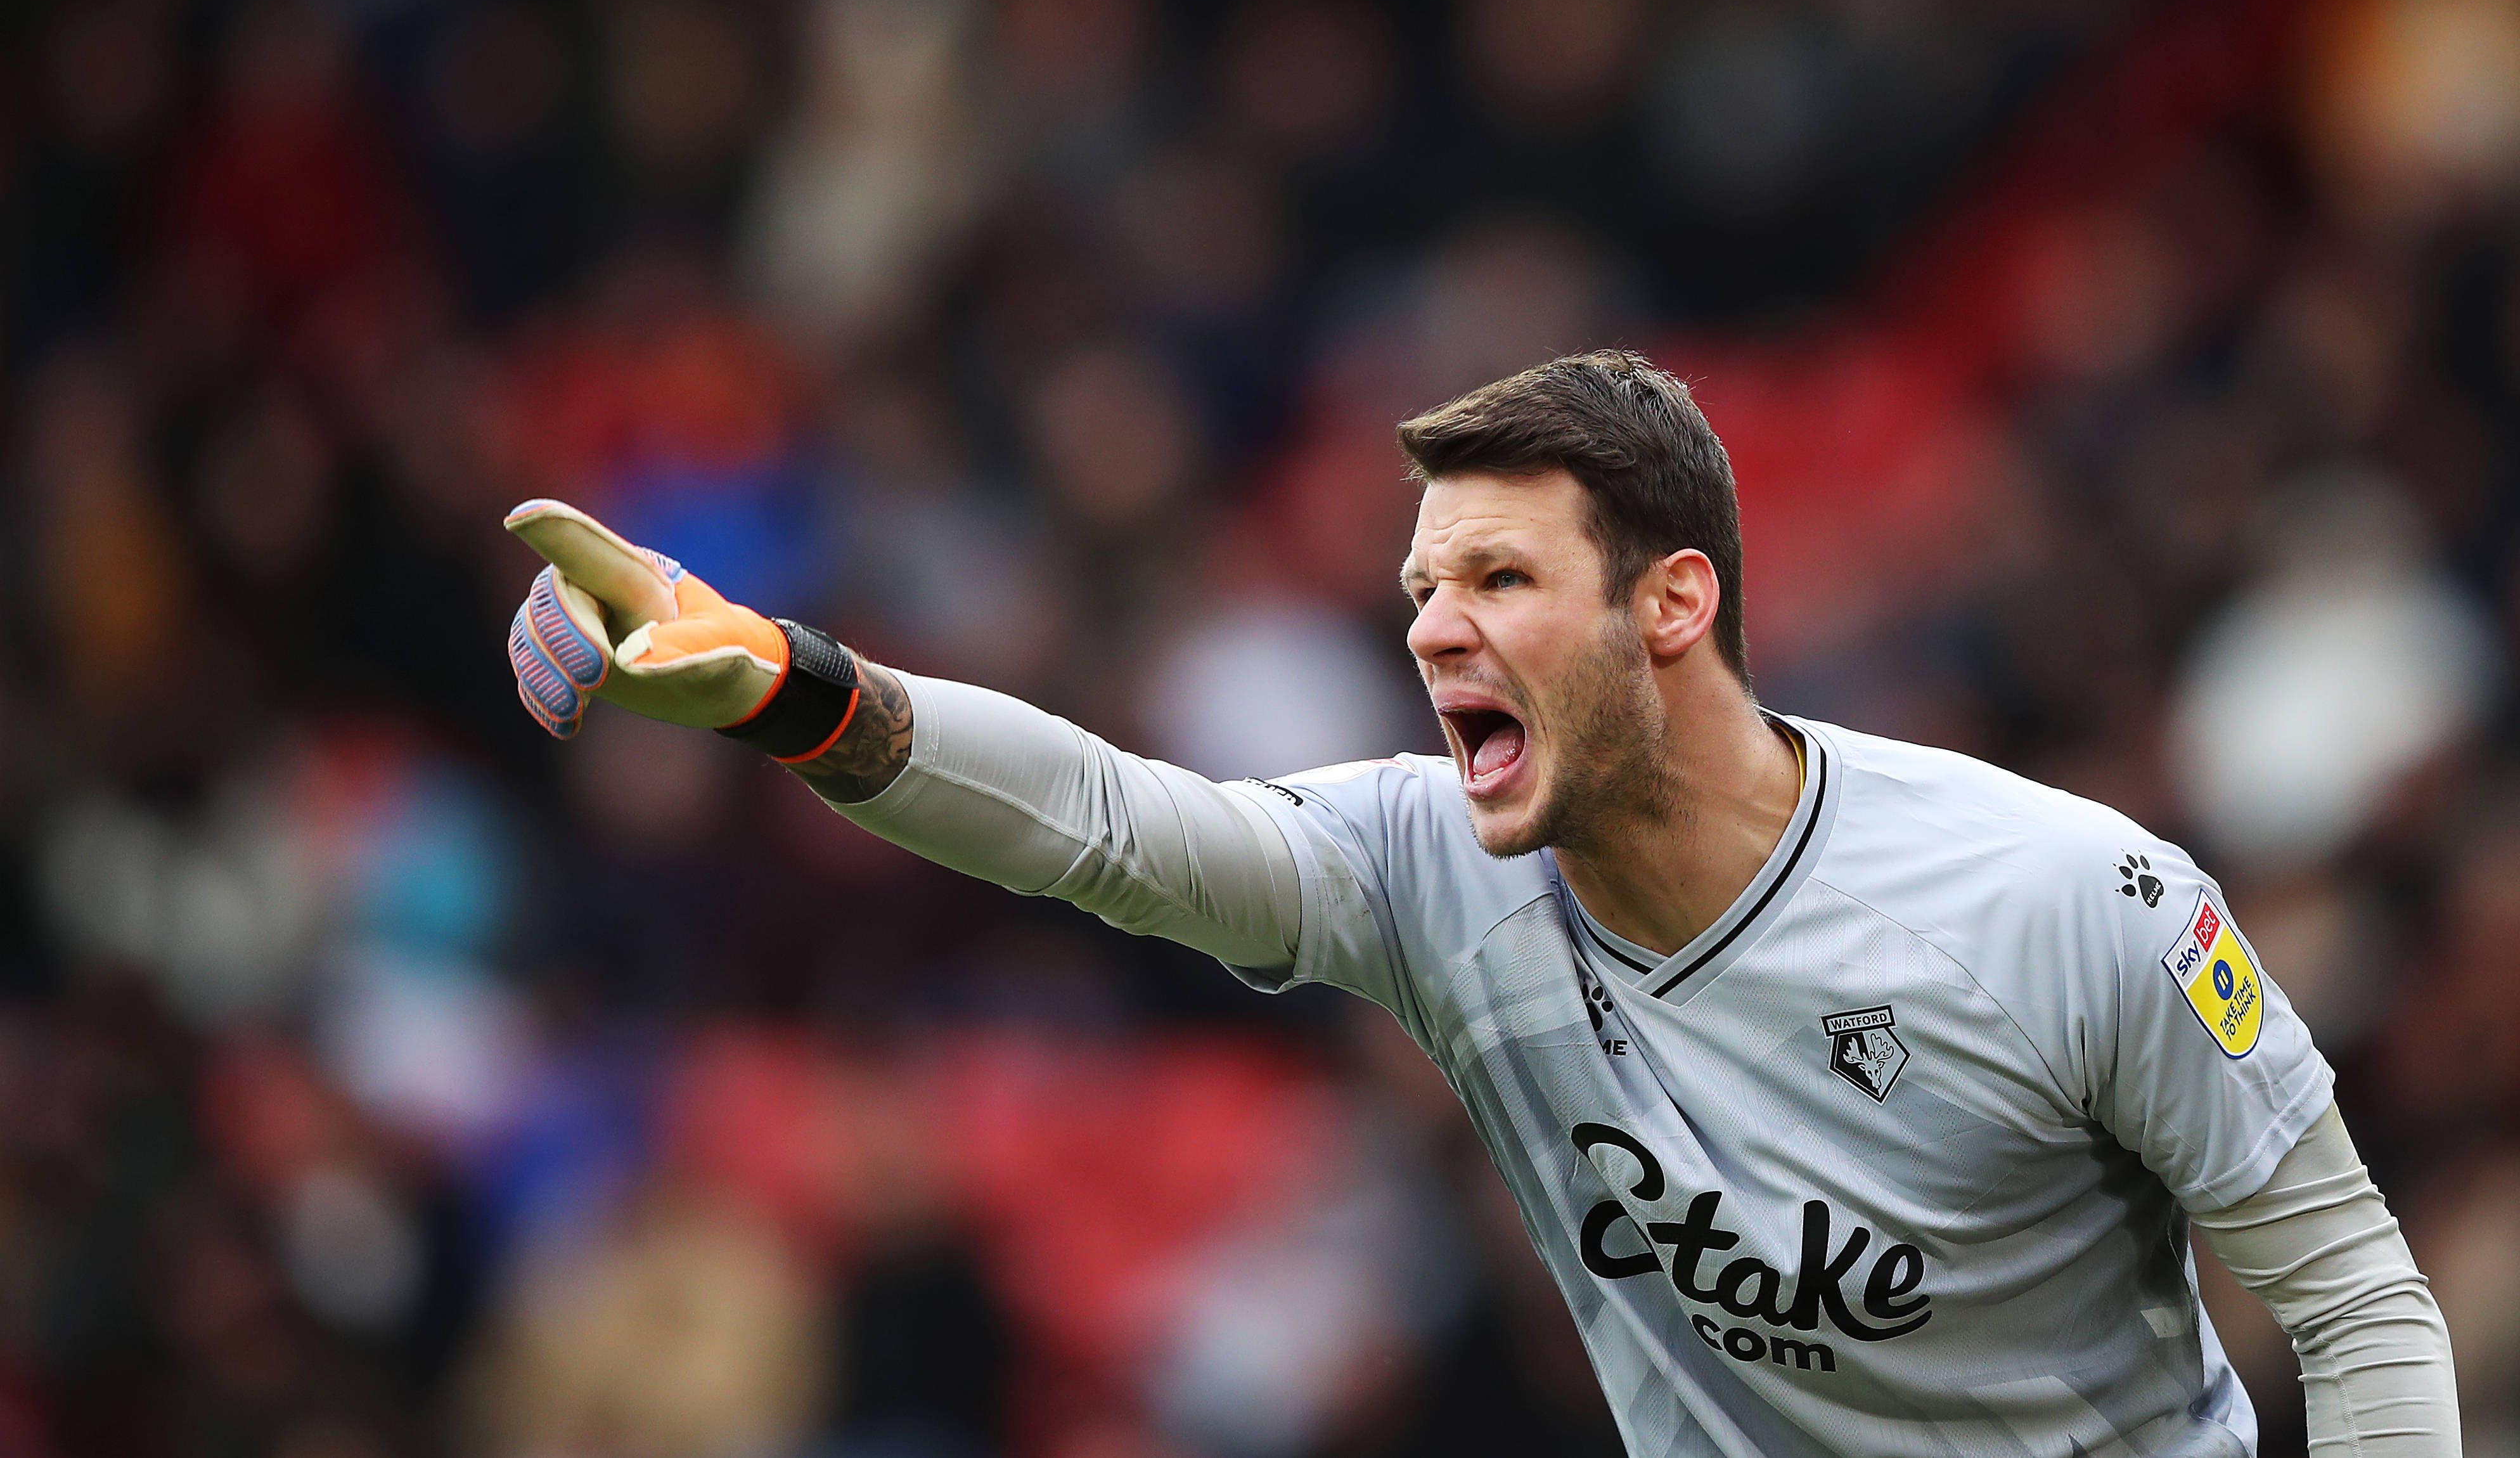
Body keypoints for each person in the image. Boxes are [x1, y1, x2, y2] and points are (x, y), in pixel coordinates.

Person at [504, 351, 2459, 1457]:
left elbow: (2358, 1299)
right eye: (1423, 585)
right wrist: (787, 681)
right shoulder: (1431, 870)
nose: (1436, 626)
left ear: (1671, 605)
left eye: (1502, 579)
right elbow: (1104, 821)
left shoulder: (2068, 897)